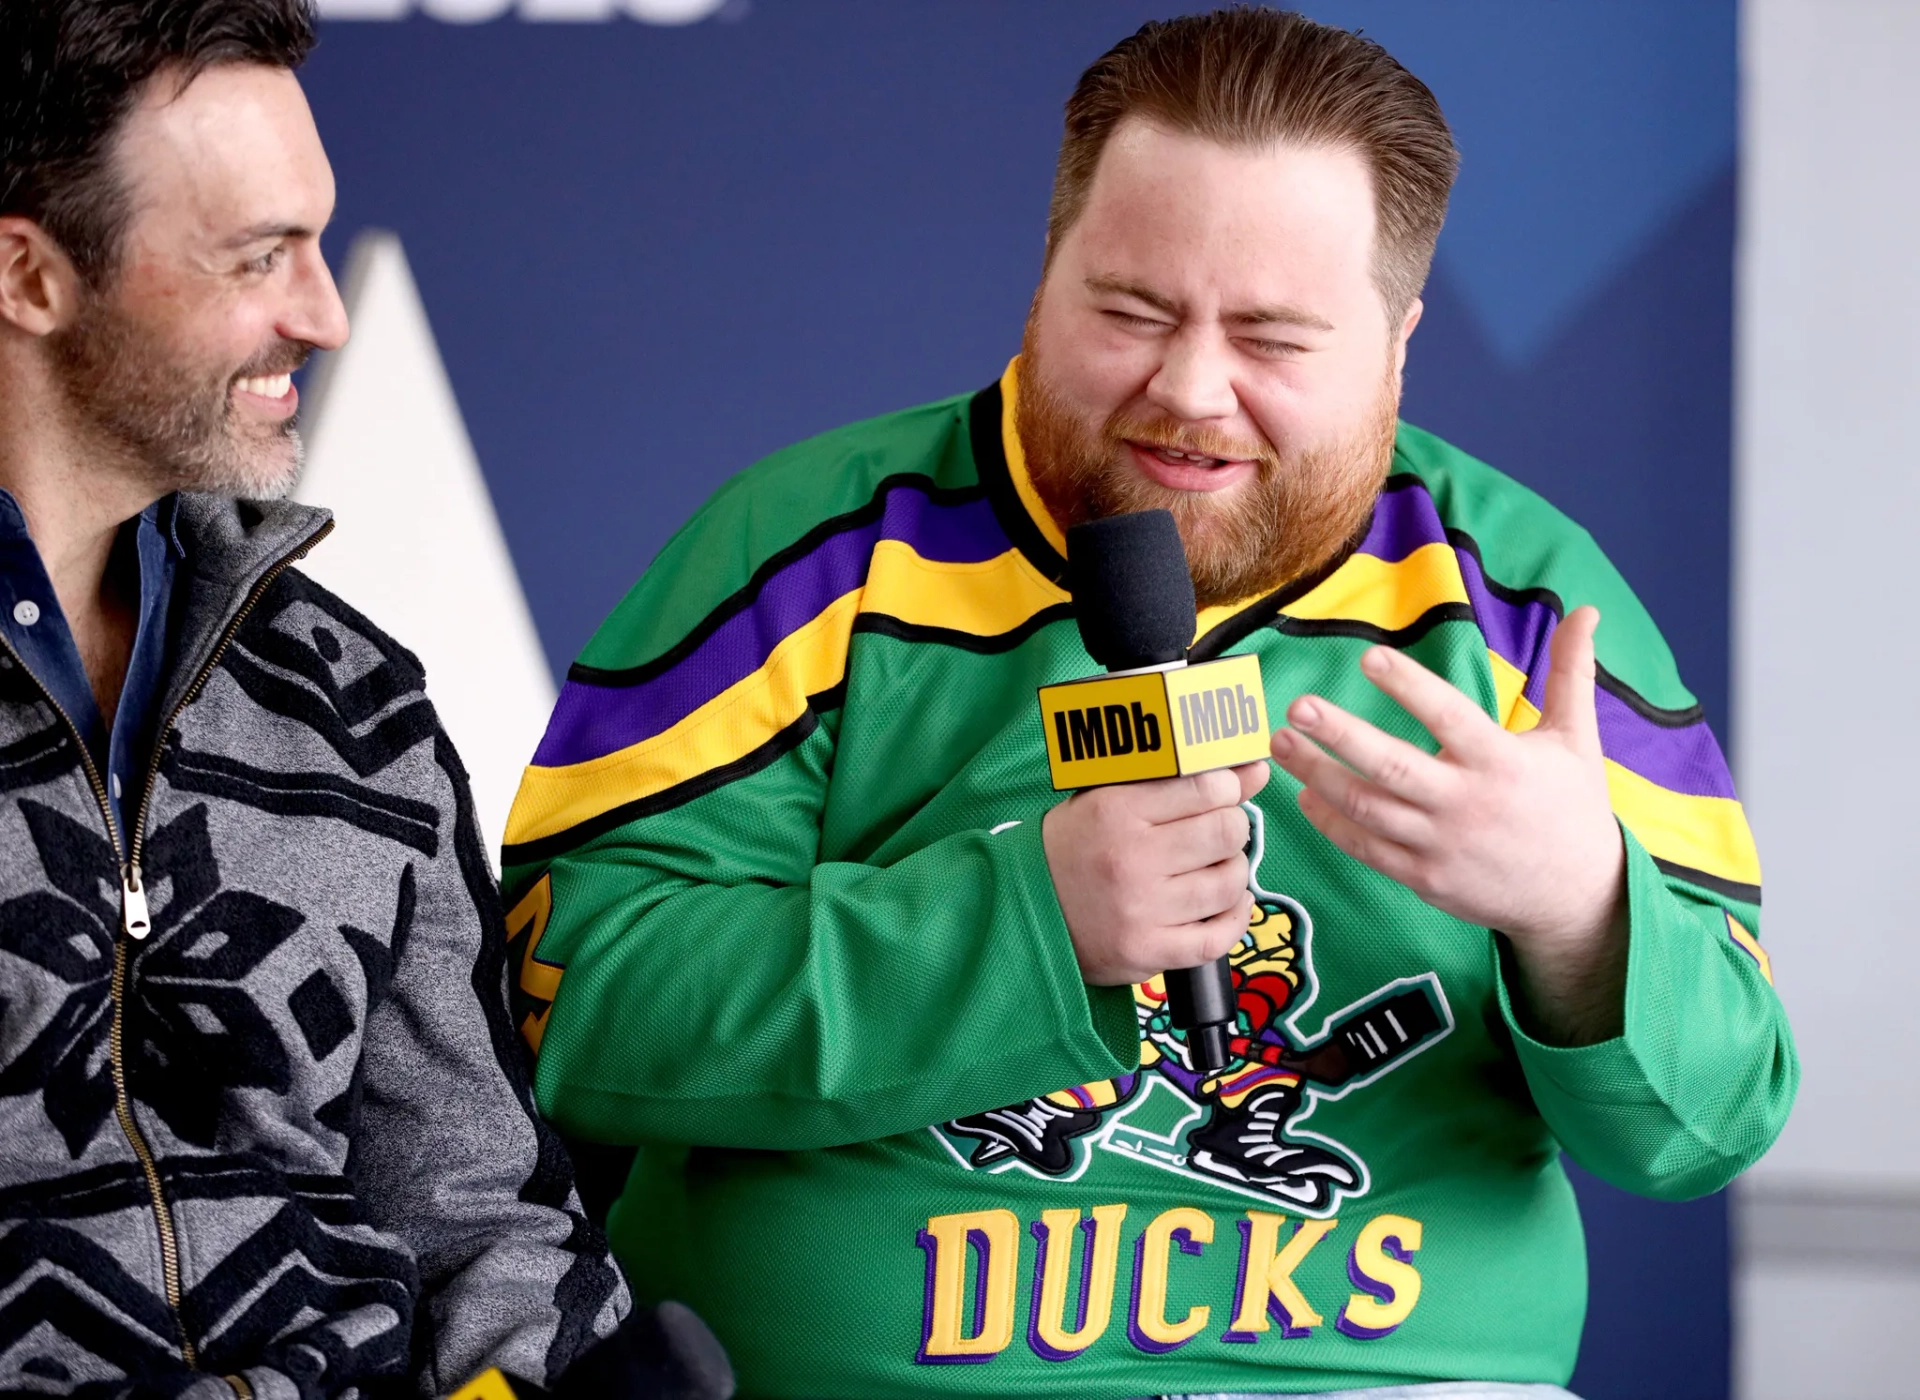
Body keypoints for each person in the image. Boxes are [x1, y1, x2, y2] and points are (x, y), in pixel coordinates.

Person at [503, 9, 1794, 1399]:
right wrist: (1022, 922)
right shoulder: (814, 559)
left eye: (1272, 338)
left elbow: (1711, 1122)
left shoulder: (1524, 608)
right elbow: (568, 1004)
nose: (1187, 391)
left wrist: (1583, 911)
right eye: (1128, 311)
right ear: (1045, 272)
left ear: (1399, 338)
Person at [0, 2, 732, 1396]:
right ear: (30, 278)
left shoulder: (348, 699)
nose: (322, 311)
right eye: (257, 256)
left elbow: (480, 1216)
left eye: (319, 241)